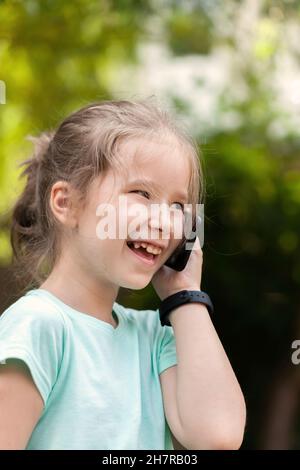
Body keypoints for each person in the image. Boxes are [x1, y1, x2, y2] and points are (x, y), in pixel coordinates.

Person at [0, 98, 246, 450]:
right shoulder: (38, 328)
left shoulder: (154, 338)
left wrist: (185, 294)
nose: (164, 221)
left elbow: (218, 436)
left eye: (178, 206)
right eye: (141, 194)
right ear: (66, 203)